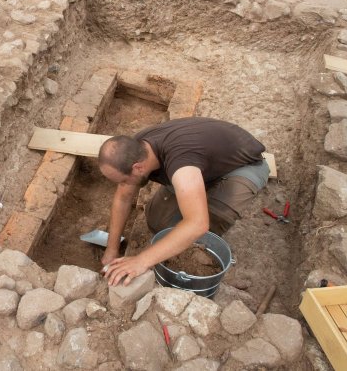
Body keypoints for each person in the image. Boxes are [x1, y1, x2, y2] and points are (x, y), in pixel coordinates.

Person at [97, 117, 269, 287]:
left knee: (201, 231)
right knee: (159, 224)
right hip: (202, 165)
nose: (123, 185)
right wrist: (112, 249)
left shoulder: (181, 164)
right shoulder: (136, 149)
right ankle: (199, 190)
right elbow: (123, 198)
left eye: (124, 181)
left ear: (137, 167)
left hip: (241, 167)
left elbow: (197, 224)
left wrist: (141, 261)